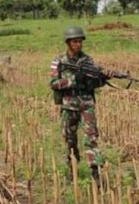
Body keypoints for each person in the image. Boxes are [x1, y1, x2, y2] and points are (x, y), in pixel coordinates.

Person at [49, 26, 114, 182]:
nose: (78, 44)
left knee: (91, 138)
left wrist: (103, 79)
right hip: (68, 105)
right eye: (75, 41)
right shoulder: (58, 61)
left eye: (80, 41)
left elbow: (95, 83)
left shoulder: (88, 61)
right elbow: (53, 84)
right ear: (68, 43)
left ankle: (96, 174)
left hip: (86, 104)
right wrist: (73, 80)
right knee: (70, 140)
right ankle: (73, 171)